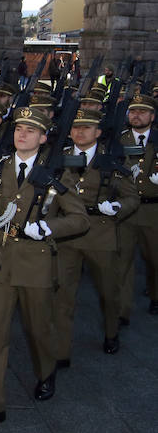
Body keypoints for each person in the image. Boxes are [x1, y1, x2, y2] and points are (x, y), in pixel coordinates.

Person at [0, 107, 89, 432]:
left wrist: (48, 227)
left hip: (36, 260)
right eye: (18, 128)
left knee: (38, 328)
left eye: (30, 130)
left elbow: (79, 218)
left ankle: (46, 370)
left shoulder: (55, 172)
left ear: (43, 137)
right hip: (1, 260)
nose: (21, 134)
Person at [52, 108, 138, 367]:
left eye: (87, 128)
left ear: (98, 133)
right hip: (67, 235)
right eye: (76, 128)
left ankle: (112, 331)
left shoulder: (109, 161)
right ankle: (61, 350)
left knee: (108, 292)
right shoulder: (59, 158)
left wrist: (118, 209)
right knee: (62, 294)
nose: (80, 132)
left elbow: (131, 197)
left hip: (99, 231)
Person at [118, 94, 158, 316]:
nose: (137, 115)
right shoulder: (119, 140)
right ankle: (122, 310)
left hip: (153, 209)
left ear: (152, 116)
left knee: (154, 258)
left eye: (142, 111)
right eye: (133, 111)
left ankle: (156, 295)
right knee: (123, 262)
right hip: (126, 210)